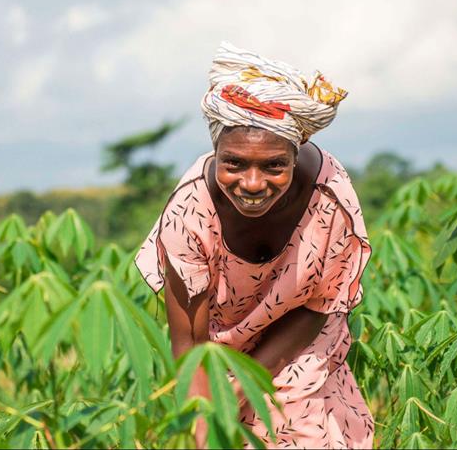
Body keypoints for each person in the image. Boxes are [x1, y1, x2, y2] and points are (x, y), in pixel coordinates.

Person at [136, 42, 374, 448]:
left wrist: (242, 392)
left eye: (273, 166)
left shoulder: (330, 201)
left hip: (301, 344)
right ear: (215, 152)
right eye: (234, 163)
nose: (251, 183)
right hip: (216, 354)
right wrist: (206, 419)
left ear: (295, 157)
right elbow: (187, 343)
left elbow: (319, 307)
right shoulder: (189, 212)